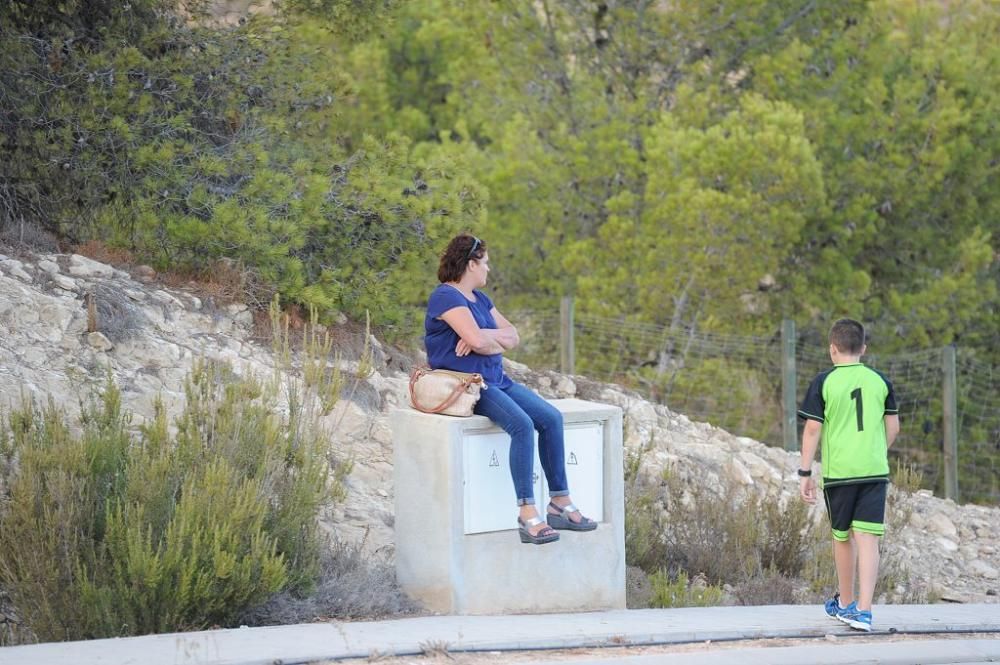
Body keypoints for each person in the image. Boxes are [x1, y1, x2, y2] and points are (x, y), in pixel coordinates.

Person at [424, 233, 597, 545]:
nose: (489, 269)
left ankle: (559, 501)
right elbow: (478, 342)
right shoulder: (446, 297)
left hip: (498, 380)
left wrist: (484, 335)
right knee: (522, 426)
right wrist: (484, 340)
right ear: (471, 264)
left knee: (551, 419)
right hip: (471, 386)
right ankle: (527, 513)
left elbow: (513, 336)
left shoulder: (482, 300)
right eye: (486, 263)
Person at [797, 318, 900, 632]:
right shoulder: (880, 381)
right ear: (863, 349)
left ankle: (844, 603)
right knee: (868, 538)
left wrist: (805, 472)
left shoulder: (824, 382)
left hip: (840, 474)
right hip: (874, 471)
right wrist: (873, 451)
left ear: (832, 350)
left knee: (842, 537)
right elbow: (893, 428)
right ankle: (865, 612)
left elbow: (813, 429)